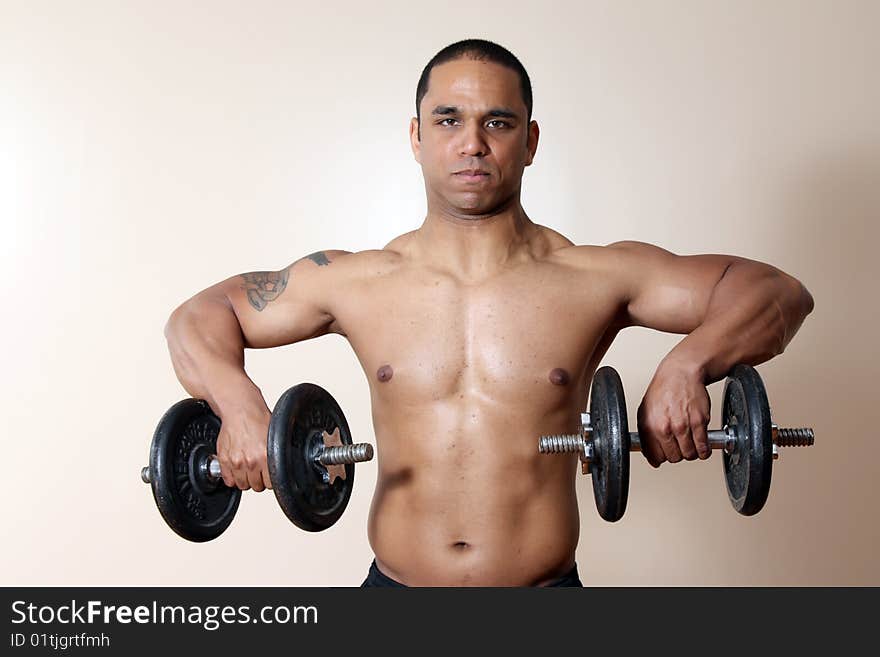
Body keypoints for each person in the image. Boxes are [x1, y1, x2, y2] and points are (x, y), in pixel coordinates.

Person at [163, 39, 815, 587]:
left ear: (529, 141)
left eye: (497, 122)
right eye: (448, 120)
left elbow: (778, 293)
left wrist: (688, 364)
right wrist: (241, 406)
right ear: (416, 138)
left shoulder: (595, 277)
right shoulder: (357, 281)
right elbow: (198, 316)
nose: (472, 142)